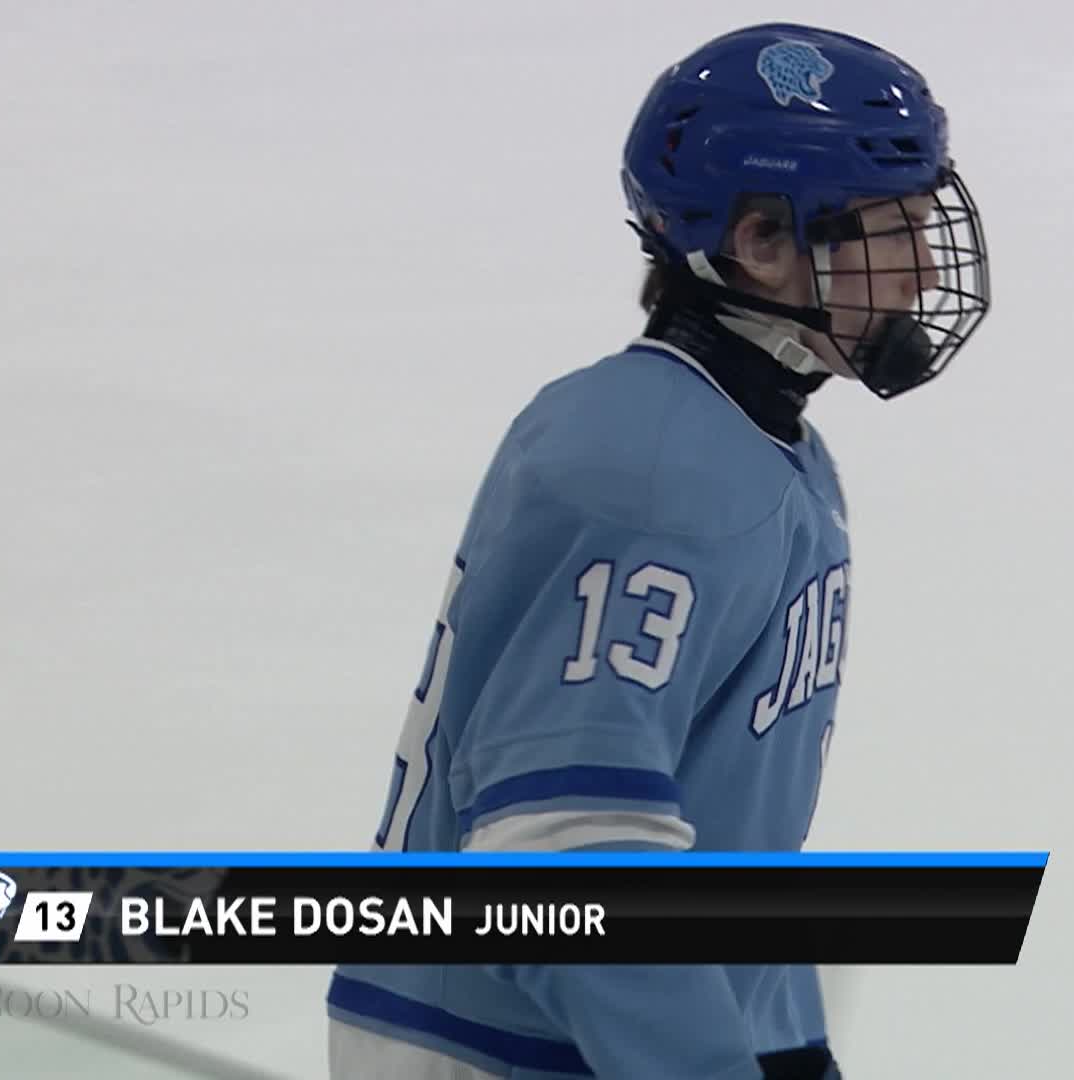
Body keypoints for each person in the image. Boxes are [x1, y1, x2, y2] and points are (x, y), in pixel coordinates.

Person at [327, 21, 991, 1080]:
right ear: (760, 242)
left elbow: (730, 823)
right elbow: (563, 849)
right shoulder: (646, 469)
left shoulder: (760, 444)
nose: (921, 273)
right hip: (509, 1049)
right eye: (894, 229)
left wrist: (780, 1045)